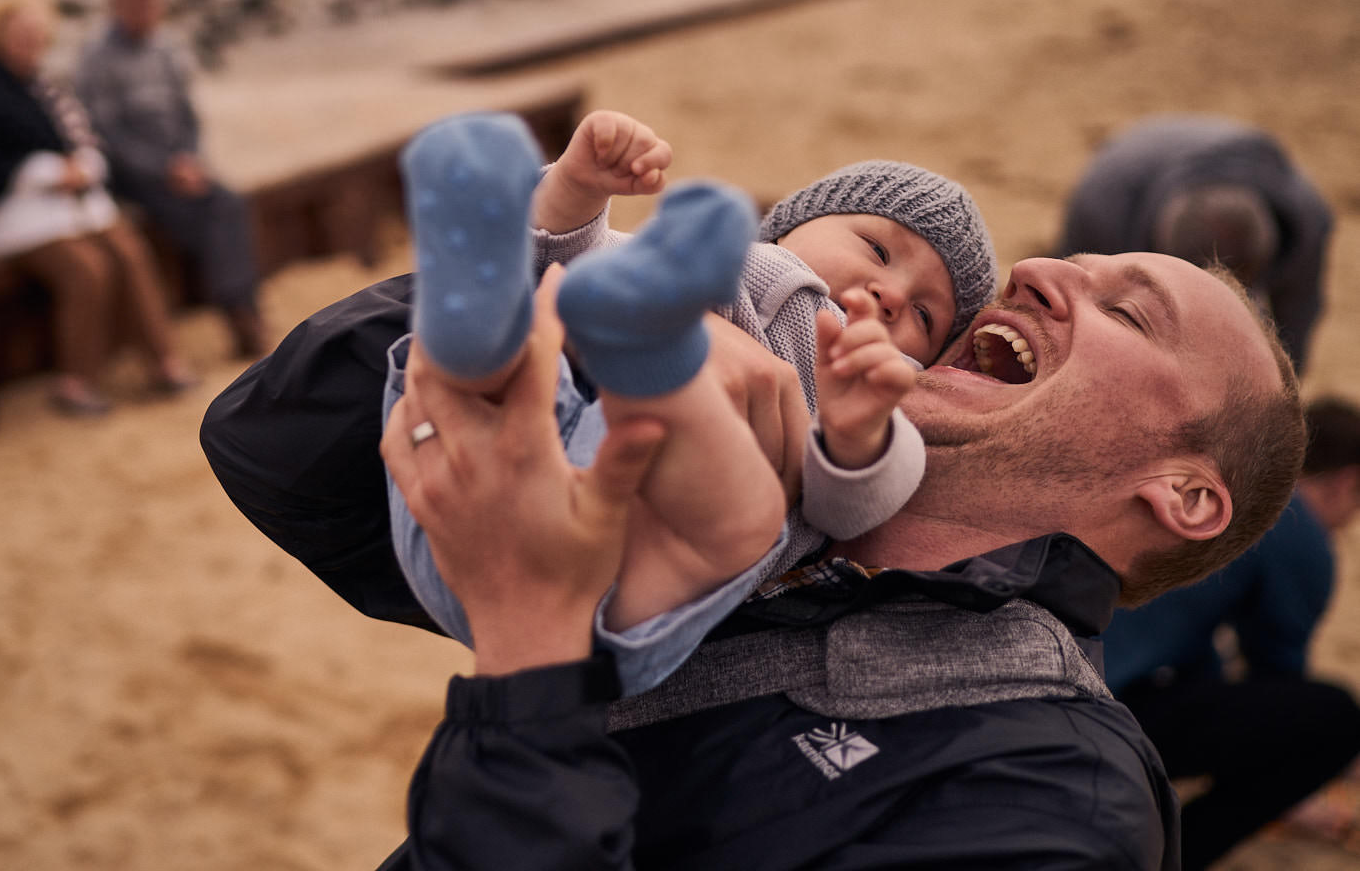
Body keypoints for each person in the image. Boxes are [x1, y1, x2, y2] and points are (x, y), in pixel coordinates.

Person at [204, 214, 1304, 866]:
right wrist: (608, 293)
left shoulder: (1056, 793)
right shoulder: (746, 502)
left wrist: (534, 646)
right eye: (1077, 262)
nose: (1040, 272)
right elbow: (279, 450)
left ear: (1185, 493)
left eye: (1129, 312)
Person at [383, 110, 998, 693]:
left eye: (924, 313)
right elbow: (567, 261)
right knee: (540, 324)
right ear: (789, 227)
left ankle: (586, 354)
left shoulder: (884, 397)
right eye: (878, 249)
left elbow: (849, 512)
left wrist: (853, 434)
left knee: (713, 462)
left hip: (629, 592)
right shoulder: (730, 270)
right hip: (485, 487)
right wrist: (577, 189)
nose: (890, 293)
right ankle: (478, 338)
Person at [1102, 397, 1360, 869]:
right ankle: (1174, 854)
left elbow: (1184, 626)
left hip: (1071, 659)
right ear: (1347, 482)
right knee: (1335, 718)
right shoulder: (1297, 525)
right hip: (1107, 708)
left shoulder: (1212, 478)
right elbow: (1279, 676)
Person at [0, 0, 197, 416]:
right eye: (20, 33)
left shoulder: (41, 85)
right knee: (85, 269)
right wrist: (44, 172)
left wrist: (83, 166)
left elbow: (81, 136)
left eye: (37, 34)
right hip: (6, 210)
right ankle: (77, 381)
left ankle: (163, 361)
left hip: (64, 204)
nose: (30, 42)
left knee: (128, 249)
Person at [76, 0, 269, 358]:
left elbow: (187, 114)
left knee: (227, 203)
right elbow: (106, 132)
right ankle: (240, 311)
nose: (146, 9)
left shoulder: (167, 50)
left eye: (151, 0)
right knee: (209, 215)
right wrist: (165, 168)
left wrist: (189, 158)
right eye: (136, 0)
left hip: (178, 164)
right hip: (134, 173)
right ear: (116, 4)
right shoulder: (97, 58)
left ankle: (240, 308)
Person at [1056, 114, 1333, 374]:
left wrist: (1280, 392)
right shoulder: (1103, 207)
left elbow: (1296, 319)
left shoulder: (1305, 223)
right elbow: (1072, 305)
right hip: (1128, 178)